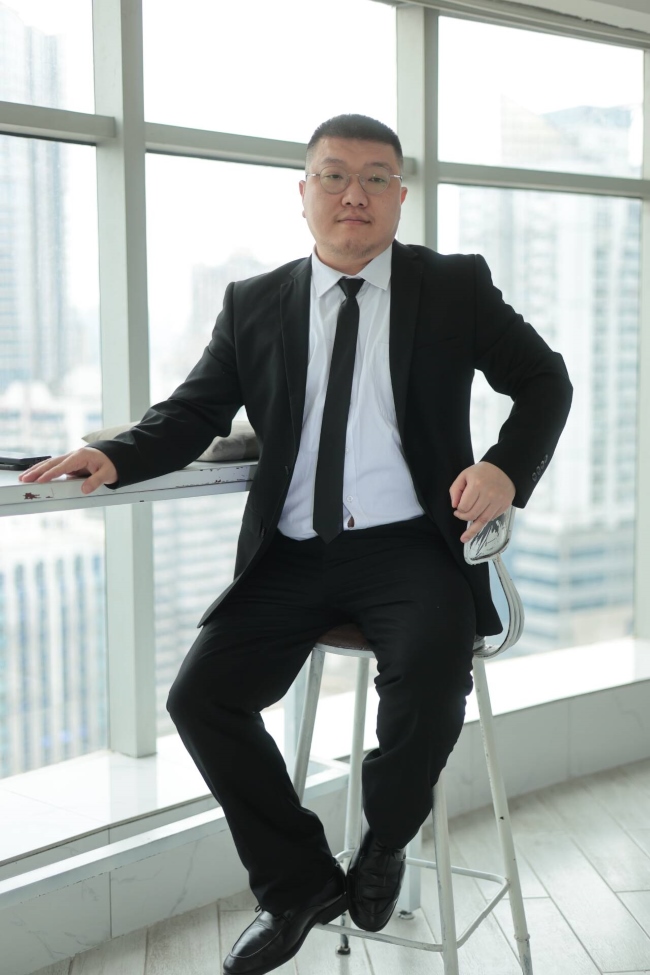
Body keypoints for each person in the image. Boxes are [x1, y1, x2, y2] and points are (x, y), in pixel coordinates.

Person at [21, 114, 572, 975]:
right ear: (304, 191)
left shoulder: (453, 285)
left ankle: (384, 842)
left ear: (399, 195)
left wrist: (504, 468)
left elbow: (545, 379)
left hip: (409, 547)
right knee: (201, 698)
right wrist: (116, 454)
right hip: (291, 552)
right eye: (335, 175)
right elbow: (194, 412)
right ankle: (298, 883)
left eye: (377, 177)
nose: (355, 194)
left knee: (431, 678)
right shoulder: (254, 302)